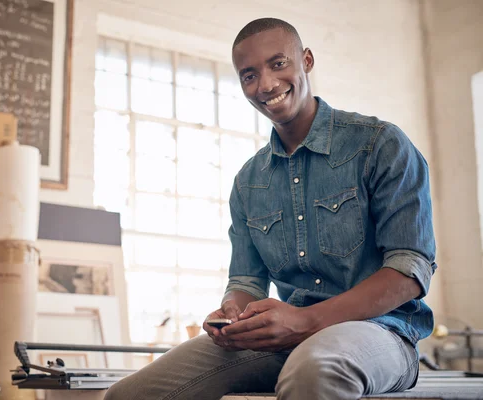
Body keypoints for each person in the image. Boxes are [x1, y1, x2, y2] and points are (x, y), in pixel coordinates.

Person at [104, 17, 437, 400]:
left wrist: (306, 321)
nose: (265, 85)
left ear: (306, 61)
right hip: (282, 342)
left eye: (278, 64)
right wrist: (232, 315)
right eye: (249, 75)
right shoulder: (248, 181)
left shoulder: (380, 145)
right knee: (128, 395)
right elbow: (246, 282)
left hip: (382, 332)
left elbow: (409, 271)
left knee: (313, 370)